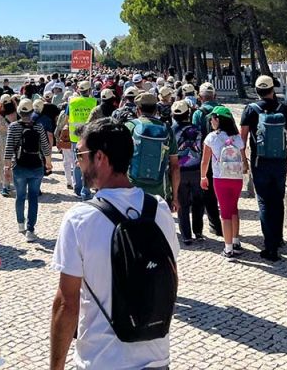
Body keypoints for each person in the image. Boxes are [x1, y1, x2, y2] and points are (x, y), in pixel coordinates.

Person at [50, 118, 179, 370]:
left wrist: (56, 367)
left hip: (101, 359)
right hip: (156, 358)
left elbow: (67, 303)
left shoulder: (79, 219)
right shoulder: (159, 209)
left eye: (80, 154)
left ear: (100, 158)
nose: (78, 162)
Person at [240, 75, 287, 262]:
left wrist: (244, 160)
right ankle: (279, 238)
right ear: (273, 89)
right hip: (280, 162)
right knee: (278, 200)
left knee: (264, 203)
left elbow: (241, 140)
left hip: (260, 163)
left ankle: (270, 246)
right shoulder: (283, 109)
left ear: (257, 90)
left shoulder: (250, 110)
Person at [200, 106, 248, 260]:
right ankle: (236, 242)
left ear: (218, 120)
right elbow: (243, 159)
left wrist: (203, 177)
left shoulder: (211, 138)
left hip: (220, 178)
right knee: (234, 209)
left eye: (212, 119)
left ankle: (228, 249)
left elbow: (205, 161)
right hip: (236, 178)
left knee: (225, 213)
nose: (211, 121)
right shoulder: (237, 138)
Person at [4, 98, 53, 242]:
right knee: (33, 198)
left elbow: (8, 148)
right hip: (36, 166)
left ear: (19, 111)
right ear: (32, 112)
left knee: (20, 196)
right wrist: (48, 164)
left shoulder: (13, 127)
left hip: (19, 167)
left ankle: (20, 224)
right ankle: (30, 230)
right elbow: (45, 147)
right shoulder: (38, 127)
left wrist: (7, 167)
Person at [129, 92, 181, 212]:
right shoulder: (167, 129)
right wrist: (175, 197)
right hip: (160, 190)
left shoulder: (130, 127)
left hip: (133, 188)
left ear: (138, 110)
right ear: (156, 110)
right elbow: (175, 167)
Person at [192, 82, 224, 237]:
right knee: (223, 191)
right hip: (224, 157)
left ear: (200, 97)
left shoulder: (198, 113)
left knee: (208, 192)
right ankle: (228, 223)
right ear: (215, 96)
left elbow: (194, 137)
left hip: (206, 156)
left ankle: (215, 225)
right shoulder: (223, 111)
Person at [172, 100, 206, 245]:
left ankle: (186, 235)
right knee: (198, 202)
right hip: (196, 169)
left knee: (182, 204)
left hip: (179, 171)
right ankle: (198, 231)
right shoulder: (197, 129)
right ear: (188, 113)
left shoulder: (170, 130)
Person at [68, 81, 98, 201]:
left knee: (77, 163)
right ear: (89, 90)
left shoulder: (72, 102)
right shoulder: (94, 102)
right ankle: (87, 187)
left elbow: (66, 117)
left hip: (75, 136)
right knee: (90, 162)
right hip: (90, 136)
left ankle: (77, 187)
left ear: (78, 90)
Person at [0, 95, 18, 197]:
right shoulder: (14, 113)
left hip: (1, 139)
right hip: (12, 137)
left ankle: (5, 186)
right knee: (12, 160)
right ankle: (14, 183)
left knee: (2, 161)